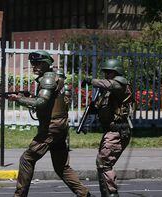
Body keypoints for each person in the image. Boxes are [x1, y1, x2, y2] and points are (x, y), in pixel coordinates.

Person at [8, 50, 92, 197]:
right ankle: (84, 194)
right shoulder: (57, 78)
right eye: (33, 63)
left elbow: (41, 102)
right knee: (62, 167)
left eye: (39, 63)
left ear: (47, 64)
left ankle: (19, 195)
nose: (35, 66)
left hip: (51, 128)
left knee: (27, 159)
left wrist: (18, 99)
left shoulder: (47, 79)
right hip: (60, 127)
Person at [82, 59, 133, 197]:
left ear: (116, 72)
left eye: (109, 72)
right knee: (102, 164)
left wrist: (90, 80)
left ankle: (111, 194)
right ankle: (107, 193)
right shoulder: (108, 92)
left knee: (104, 164)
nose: (106, 75)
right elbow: (103, 107)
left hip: (118, 131)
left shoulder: (121, 84)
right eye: (105, 72)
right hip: (110, 131)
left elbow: (110, 84)